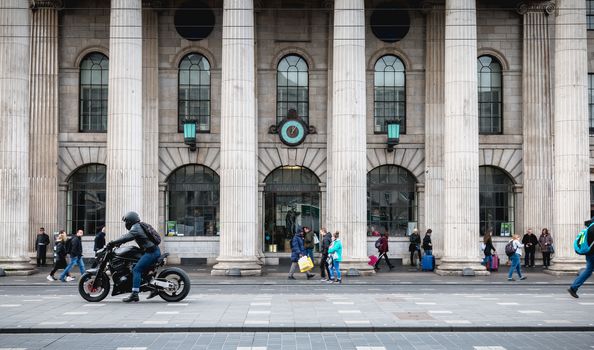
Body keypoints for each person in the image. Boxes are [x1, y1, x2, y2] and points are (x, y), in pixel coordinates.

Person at [106, 211, 161, 302]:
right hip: (152, 251)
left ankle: (135, 294)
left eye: (126, 221)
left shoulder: (136, 228)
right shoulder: (138, 226)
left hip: (151, 253)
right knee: (134, 266)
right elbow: (127, 237)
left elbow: (126, 237)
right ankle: (152, 288)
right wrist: (119, 243)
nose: (125, 223)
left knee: (137, 270)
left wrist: (112, 242)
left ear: (130, 221)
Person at [568, 217, 594, 298]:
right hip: (592, 253)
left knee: (588, 271)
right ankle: (573, 288)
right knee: (588, 271)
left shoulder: (590, 227)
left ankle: (573, 288)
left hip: (589, 253)